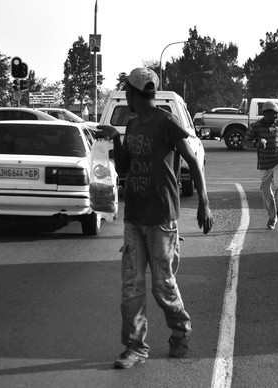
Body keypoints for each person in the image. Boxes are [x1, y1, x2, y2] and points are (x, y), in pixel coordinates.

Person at [96, 67, 213, 369]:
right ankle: (135, 347)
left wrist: (204, 202)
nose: (128, 96)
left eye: (128, 92)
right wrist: (115, 139)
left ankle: (180, 330)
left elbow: (193, 161)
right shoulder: (132, 124)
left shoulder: (166, 122)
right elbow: (124, 167)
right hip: (134, 216)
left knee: (163, 285)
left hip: (162, 218)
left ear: (134, 93)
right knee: (132, 287)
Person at [243, 100, 278, 229]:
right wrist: (257, 144)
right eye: (275, 114)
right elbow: (245, 142)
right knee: (267, 193)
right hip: (264, 164)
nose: (277, 116)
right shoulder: (256, 126)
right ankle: (272, 218)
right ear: (266, 113)